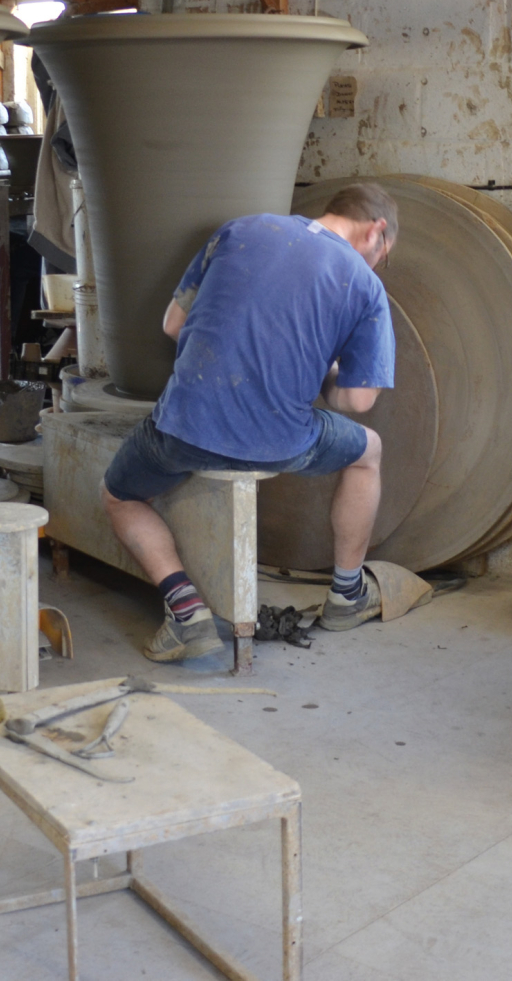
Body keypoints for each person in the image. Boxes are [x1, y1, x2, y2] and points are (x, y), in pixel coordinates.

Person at [101, 183, 397, 663]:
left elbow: (173, 326)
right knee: (369, 451)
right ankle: (347, 595)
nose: (378, 266)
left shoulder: (239, 229)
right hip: (281, 441)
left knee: (119, 495)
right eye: (384, 256)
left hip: (183, 427)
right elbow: (358, 399)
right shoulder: (364, 287)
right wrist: (321, 366)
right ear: (376, 232)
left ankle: (186, 609)